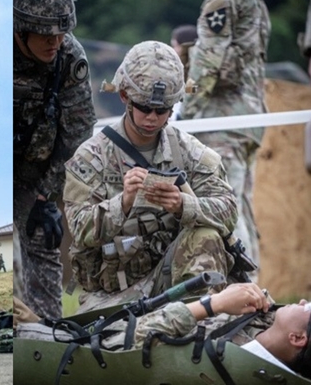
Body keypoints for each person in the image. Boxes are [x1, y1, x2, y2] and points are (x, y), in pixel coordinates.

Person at [64, 40, 237, 314]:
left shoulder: (189, 152)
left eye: (163, 110)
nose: (152, 118)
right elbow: (78, 228)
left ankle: (201, 321)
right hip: (110, 297)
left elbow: (228, 210)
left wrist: (184, 205)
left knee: (206, 235)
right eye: (144, 107)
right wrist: (123, 203)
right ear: (124, 97)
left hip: (171, 283)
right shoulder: (91, 157)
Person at [13, 0, 96, 320]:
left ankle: (48, 335)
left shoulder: (69, 57)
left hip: (39, 173)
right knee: (12, 266)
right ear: (20, 29)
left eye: (62, 33)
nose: (56, 42)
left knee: (43, 238)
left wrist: (47, 195)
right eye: (47, 35)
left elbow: (78, 134)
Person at [15, 284, 311, 381]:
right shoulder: (263, 322)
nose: (300, 300)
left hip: (72, 349)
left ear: (297, 338)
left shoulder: (238, 362)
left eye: (307, 307)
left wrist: (213, 304)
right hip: (84, 330)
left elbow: (123, 349)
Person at [182, 0, 270, 284]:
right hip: (249, 119)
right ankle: (254, 289)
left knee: (226, 204)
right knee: (242, 205)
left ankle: (246, 288)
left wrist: (185, 114)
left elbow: (207, 62)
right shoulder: (257, 0)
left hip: (222, 119)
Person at [169, 24, 198, 122]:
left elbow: (190, 96)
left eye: (175, 46)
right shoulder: (180, 70)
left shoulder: (193, 74)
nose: (173, 50)